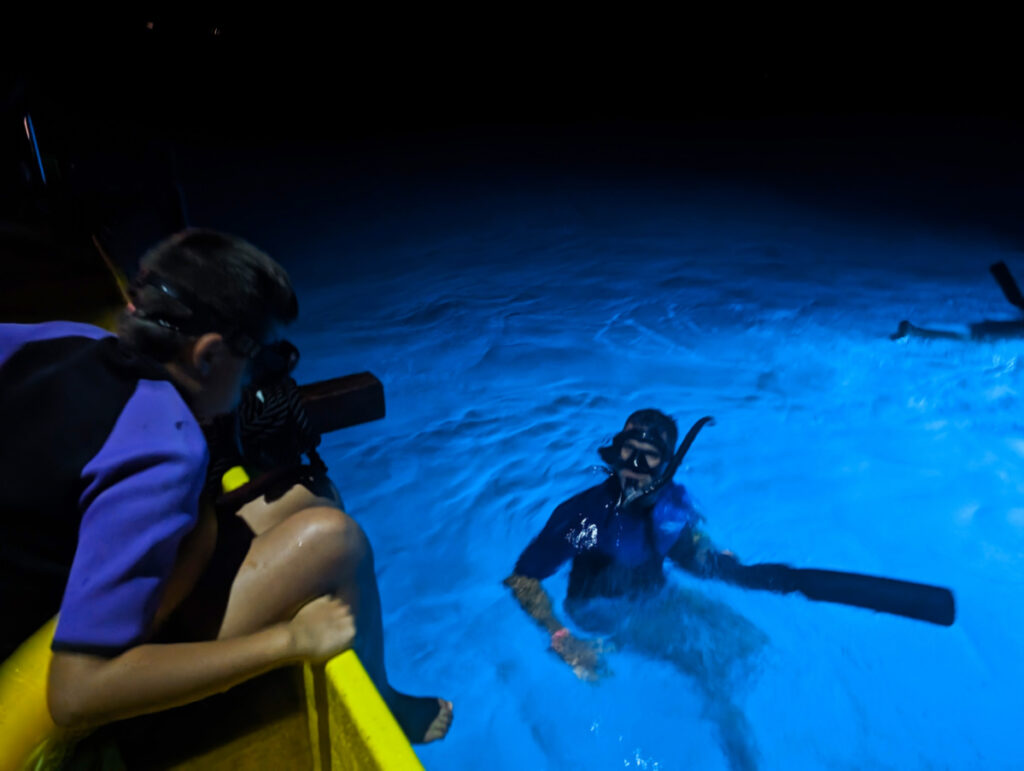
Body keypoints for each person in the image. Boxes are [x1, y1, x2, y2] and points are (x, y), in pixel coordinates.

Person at [0, 229, 451, 747]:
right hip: (39, 688)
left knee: (292, 505)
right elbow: (74, 694)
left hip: (37, 602)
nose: (252, 385)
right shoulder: (166, 450)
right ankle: (386, 710)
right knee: (334, 539)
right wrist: (290, 641)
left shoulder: (65, 338)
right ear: (210, 355)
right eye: (258, 361)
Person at [505, 409, 764, 771]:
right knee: (708, 670)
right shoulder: (587, 519)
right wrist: (560, 634)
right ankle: (744, 759)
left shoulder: (672, 503)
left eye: (650, 456)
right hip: (602, 610)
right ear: (617, 451)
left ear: (666, 464)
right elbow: (522, 579)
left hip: (656, 596)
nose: (636, 465)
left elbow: (685, 545)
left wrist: (710, 552)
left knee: (750, 642)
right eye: (630, 451)